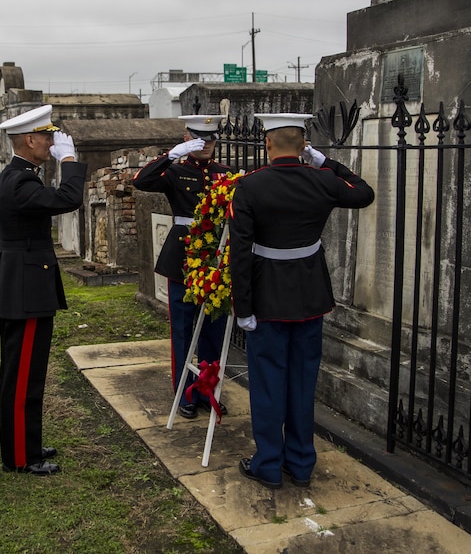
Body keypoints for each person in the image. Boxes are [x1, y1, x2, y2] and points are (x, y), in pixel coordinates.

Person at [229, 113, 375, 490]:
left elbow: (240, 254)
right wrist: (327, 162)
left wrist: (242, 308)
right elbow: (363, 192)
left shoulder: (250, 187)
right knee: (302, 383)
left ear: (267, 144)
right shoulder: (323, 181)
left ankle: (267, 464)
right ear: (303, 145)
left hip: (267, 301)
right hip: (311, 297)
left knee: (267, 385)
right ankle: (301, 464)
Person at [0, 104, 87, 476]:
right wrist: (71, 161)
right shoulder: (21, 181)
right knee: (22, 376)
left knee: (27, 372)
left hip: (25, 284)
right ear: (29, 140)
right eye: (46, 137)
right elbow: (68, 199)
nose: (51, 143)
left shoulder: (18, 175)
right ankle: (20, 456)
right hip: (26, 289)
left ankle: (26, 443)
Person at [132, 114, 230, 419]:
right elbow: (141, 181)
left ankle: (207, 389)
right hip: (183, 257)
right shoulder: (175, 172)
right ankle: (185, 392)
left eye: (210, 139)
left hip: (213, 255)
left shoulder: (224, 173)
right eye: (199, 139)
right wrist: (170, 155)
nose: (206, 145)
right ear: (187, 138)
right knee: (183, 328)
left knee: (214, 329)